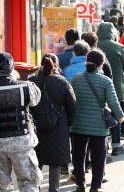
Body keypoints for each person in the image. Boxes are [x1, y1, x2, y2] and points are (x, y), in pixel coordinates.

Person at [0, 52, 42, 191]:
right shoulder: (26, 87)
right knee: (28, 182)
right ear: (12, 69)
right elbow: (35, 101)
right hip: (22, 143)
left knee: (1, 186)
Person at [71, 49, 124, 192]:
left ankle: (80, 184)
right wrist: (120, 116)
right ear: (103, 63)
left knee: (78, 155)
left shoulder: (76, 78)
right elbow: (113, 103)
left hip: (78, 124)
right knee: (99, 156)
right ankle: (95, 186)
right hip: (99, 126)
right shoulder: (105, 81)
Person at [28, 54, 76, 192]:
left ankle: (35, 188)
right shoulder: (63, 82)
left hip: (35, 126)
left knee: (36, 161)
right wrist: (68, 124)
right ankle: (53, 189)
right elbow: (72, 106)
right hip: (58, 127)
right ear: (56, 64)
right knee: (55, 163)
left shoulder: (31, 81)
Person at [96, 22, 124, 156]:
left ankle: (103, 148)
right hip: (117, 86)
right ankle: (116, 146)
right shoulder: (119, 46)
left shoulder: (94, 46)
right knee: (117, 115)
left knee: (101, 117)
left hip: (97, 87)